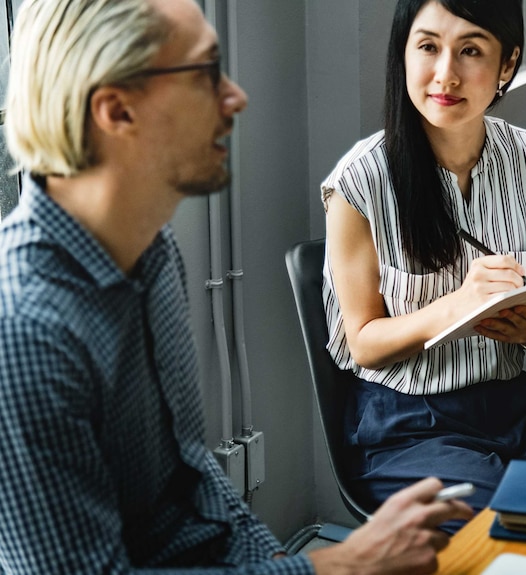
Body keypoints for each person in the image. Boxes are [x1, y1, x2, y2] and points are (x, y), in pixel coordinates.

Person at [0, 0, 472, 573]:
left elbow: (193, 475)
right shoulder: (25, 331)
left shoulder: (149, 248)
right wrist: (341, 566)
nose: (236, 96)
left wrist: (273, 557)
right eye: (204, 74)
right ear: (116, 110)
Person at [321, 0, 526, 524]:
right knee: (519, 523)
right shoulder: (359, 183)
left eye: (470, 50)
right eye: (428, 47)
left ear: (507, 64)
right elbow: (362, 343)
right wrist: (458, 304)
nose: (445, 74)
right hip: (409, 427)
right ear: (404, 53)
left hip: (516, 407)